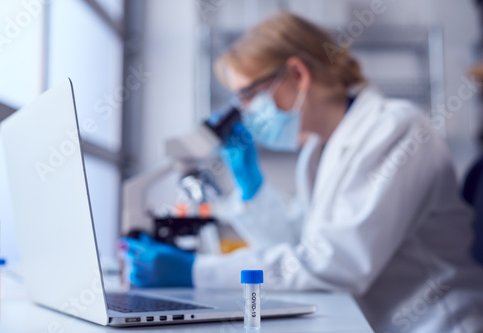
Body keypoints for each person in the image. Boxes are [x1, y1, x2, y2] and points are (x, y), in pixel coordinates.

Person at [122, 11, 483, 332]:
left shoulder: (398, 129)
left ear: (296, 73)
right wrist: (251, 188)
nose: (246, 112)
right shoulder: (316, 150)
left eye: (248, 95)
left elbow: (334, 265)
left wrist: (195, 271)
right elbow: (296, 245)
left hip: (436, 322)